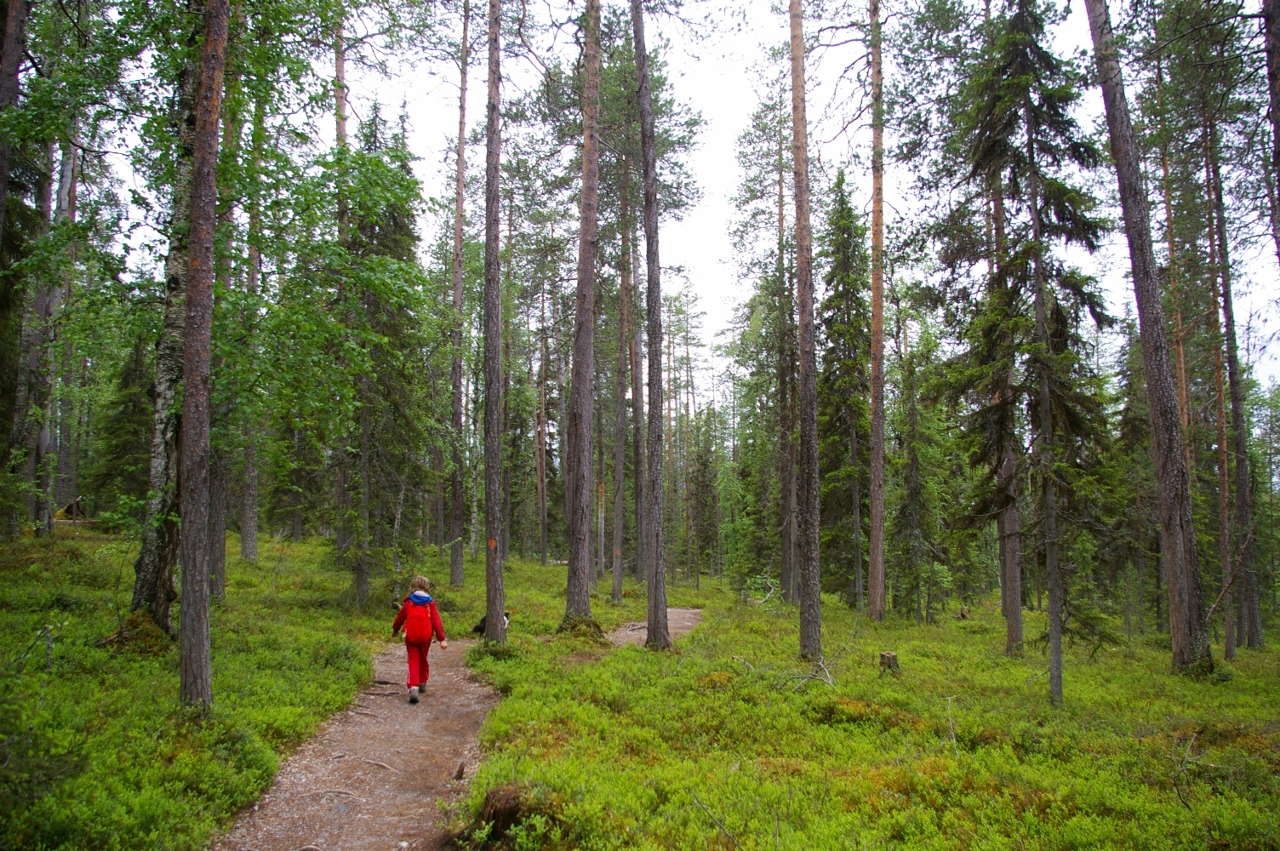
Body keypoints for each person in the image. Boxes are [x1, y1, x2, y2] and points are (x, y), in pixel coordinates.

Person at [391, 576, 447, 704]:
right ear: (426, 586)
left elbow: (400, 618)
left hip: (410, 636)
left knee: (413, 660)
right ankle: (422, 682)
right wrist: (441, 639)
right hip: (425, 637)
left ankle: (414, 687)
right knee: (423, 657)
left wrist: (395, 630)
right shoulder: (430, 603)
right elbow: (436, 621)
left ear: (412, 586)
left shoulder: (409, 602)